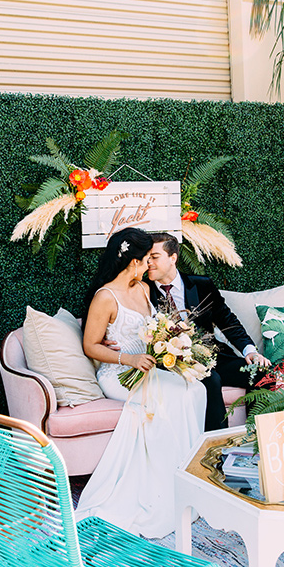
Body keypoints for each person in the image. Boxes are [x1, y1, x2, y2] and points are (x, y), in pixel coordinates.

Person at [74, 227, 207, 539]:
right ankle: (161, 493)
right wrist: (128, 360)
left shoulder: (145, 290)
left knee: (194, 388)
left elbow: (154, 331)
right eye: (148, 258)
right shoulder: (105, 297)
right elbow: (90, 346)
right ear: (133, 261)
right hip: (118, 374)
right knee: (167, 399)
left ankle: (186, 481)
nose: (151, 264)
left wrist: (173, 343)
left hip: (148, 369)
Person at [147, 232, 269, 431]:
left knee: (261, 373)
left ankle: (256, 437)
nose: (149, 262)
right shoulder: (143, 291)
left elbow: (226, 320)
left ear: (173, 258)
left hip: (212, 355)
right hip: (174, 365)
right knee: (211, 380)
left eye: (154, 257)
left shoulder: (201, 285)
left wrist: (250, 351)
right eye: (147, 258)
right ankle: (217, 448)